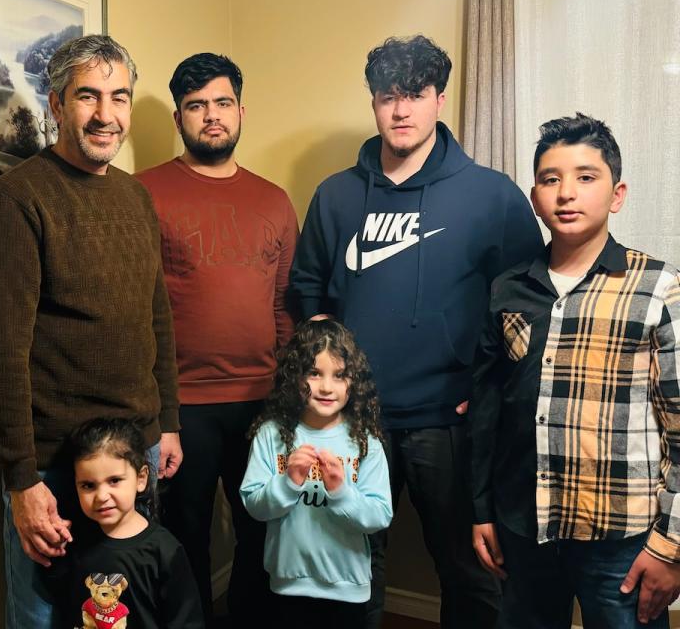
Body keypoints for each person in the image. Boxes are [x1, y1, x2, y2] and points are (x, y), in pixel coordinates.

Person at [290, 34, 544, 628]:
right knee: (351, 569)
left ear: (440, 99)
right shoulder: (336, 196)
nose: (401, 110)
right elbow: (307, 288)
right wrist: (318, 334)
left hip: (447, 423)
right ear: (373, 103)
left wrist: (493, 386)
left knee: (469, 571)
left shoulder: (491, 195)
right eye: (387, 97)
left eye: (415, 95)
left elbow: (530, 301)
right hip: (354, 423)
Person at [0, 34, 181, 629]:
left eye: (119, 97)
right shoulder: (16, 200)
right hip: (56, 464)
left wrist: (166, 423)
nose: (106, 114)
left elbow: (156, 318)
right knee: (44, 615)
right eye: (87, 96)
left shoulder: (136, 197)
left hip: (134, 451)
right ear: (57, 105)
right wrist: (21, 481)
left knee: (122, 612)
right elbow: (3, 353)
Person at [469, 113, 680, 628]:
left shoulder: (659, 289)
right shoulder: (508, 289)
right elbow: (487, 409)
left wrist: (671, 543)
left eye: (586, 177)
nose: (567, 193)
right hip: (525, 525)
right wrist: (482, 510)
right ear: (536, 195)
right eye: (550, 179)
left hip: (622, 540)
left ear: (617, 193)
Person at [137, 52, 298, 624]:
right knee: (185, 542)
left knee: (263, 537)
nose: (211, 116)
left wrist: (288, 401)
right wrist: (161, 415)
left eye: (222, 103)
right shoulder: (143, 192)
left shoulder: (274, 200)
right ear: (179, 118)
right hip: (183, 408)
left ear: (240, 111)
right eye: (196, 105)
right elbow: (135, 311)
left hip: (261, 403)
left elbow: (283, 308)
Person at [240, 318, 393, 625]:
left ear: (354, 381)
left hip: (347, 588)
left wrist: (341, 492)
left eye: (339, 375)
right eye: (314, 373)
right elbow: (254, 506)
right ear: (295, 377)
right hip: (288, 584)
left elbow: (380, 515)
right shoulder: (271, 435)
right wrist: (287, 483)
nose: (326, 387)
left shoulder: (366, 442)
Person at [52, 418, 204, 629]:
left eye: (114, 480)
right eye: (88, 485)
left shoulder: (165, 550)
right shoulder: (75, 541)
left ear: (141, 479)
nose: (102, 496)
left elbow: (185, 620)